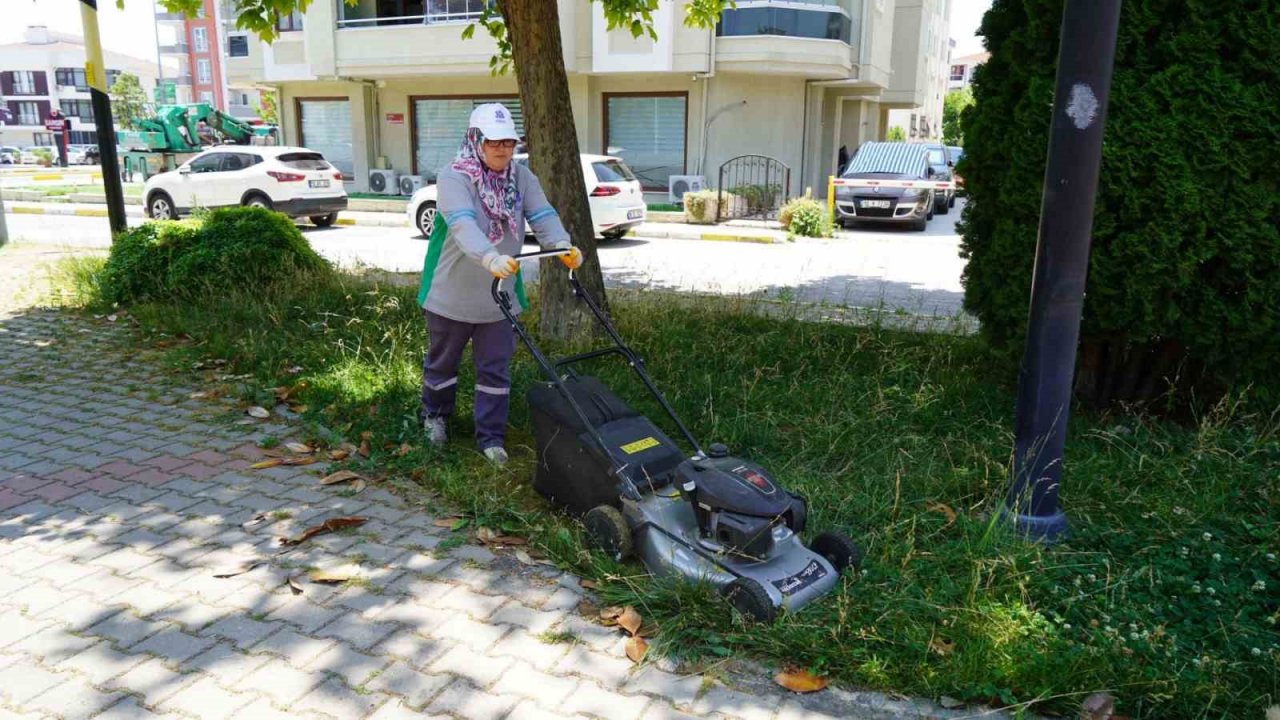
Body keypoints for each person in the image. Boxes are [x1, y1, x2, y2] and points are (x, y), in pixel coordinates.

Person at [417, 103, 582, 467]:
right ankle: (435, 417)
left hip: (499, 297)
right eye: (494, 142)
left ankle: (490, 436)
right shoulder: (454, 178)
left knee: (495, 367)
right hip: (451, 292)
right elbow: (462, 225)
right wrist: (488, 256)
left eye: (508, 142)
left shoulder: (522, 178)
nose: (503, 149)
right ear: (476, 140)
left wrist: (563, 245)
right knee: (442, 363)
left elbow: (544, 217)